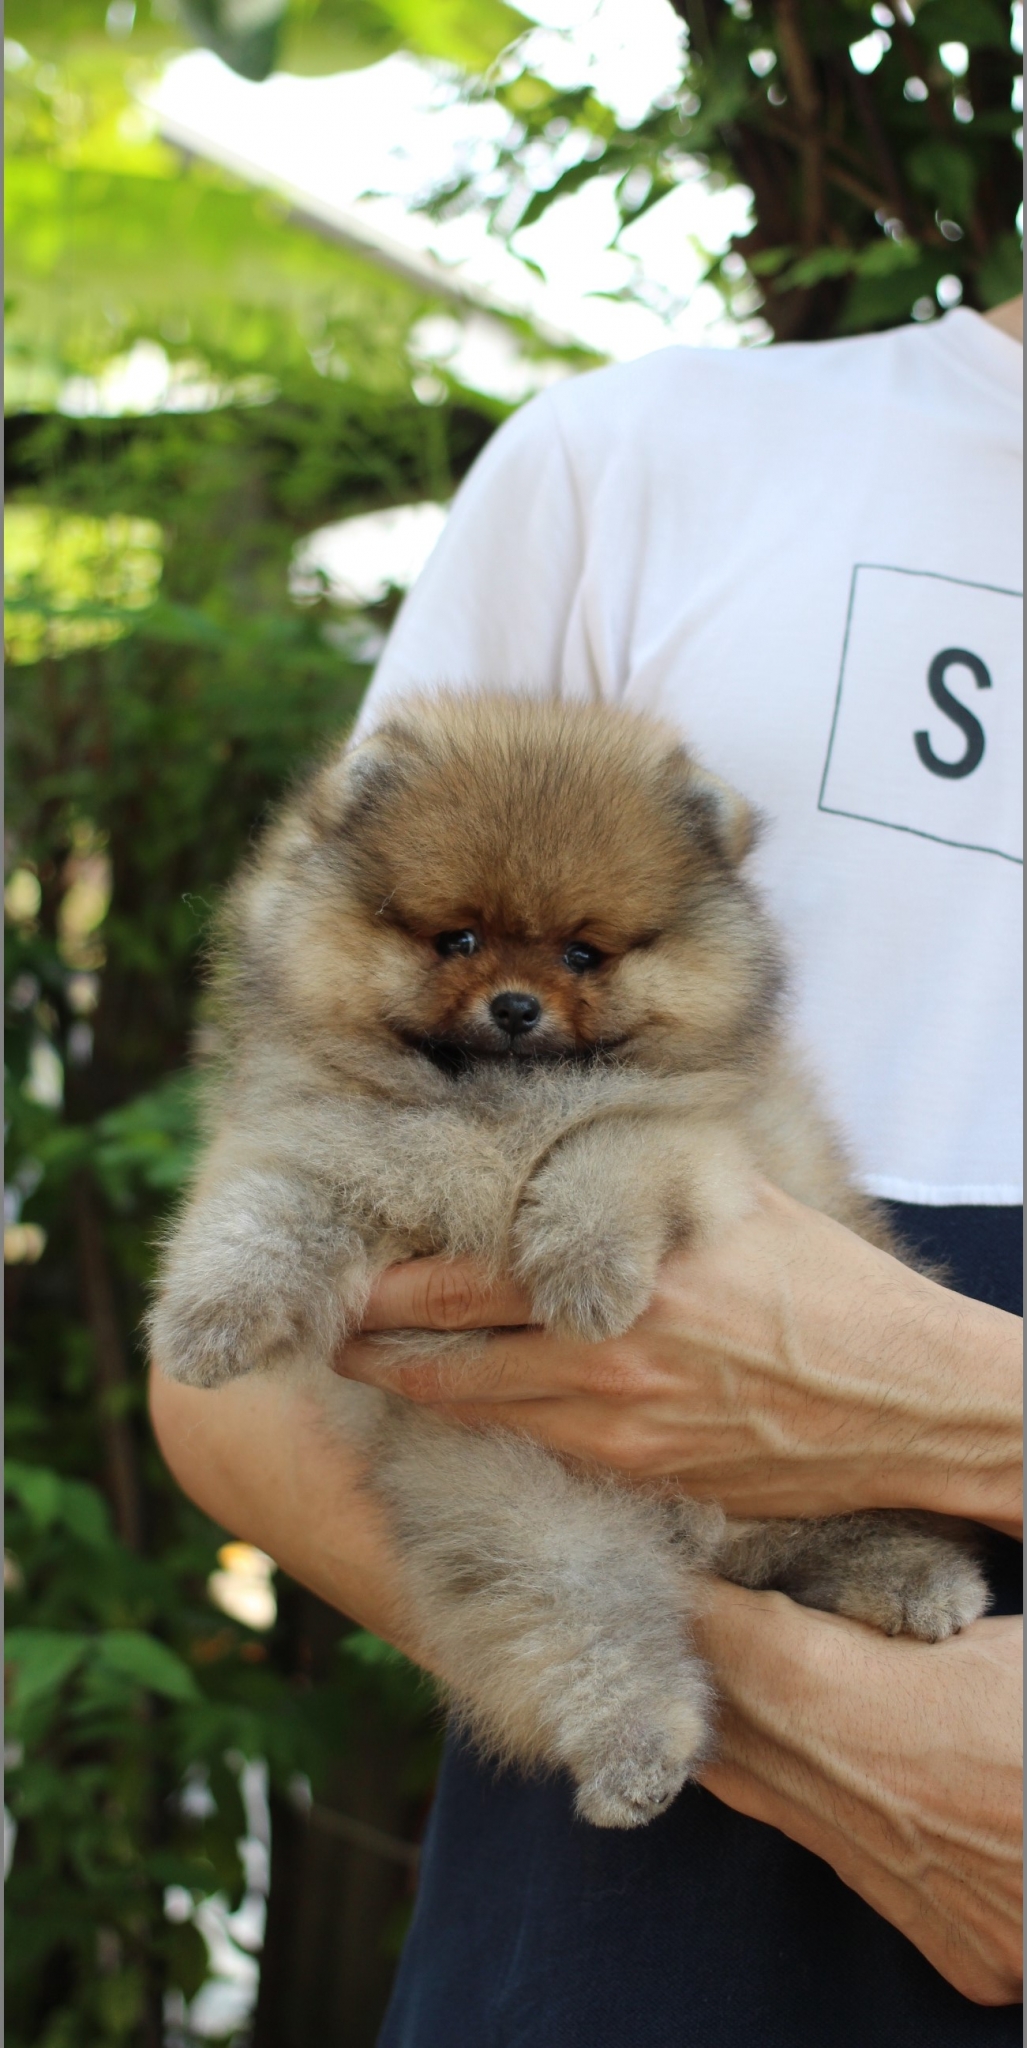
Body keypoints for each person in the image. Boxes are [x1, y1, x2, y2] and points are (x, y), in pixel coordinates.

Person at [150, 296, 1023, 2045]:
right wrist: (806, 1720)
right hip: (644, 1903)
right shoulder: (641, 466)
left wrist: (958, 1410)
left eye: (576, 957)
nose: (516, 990)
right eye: (464, 941)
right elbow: (234, 1385)